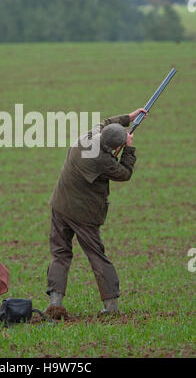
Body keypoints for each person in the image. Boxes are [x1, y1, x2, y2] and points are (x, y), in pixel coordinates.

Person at [46, 108, 148, 314]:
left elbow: (105, 122)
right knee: (97, 256)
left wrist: (128, 117)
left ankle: (55, 304)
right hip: (83, 214)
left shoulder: (88, 136)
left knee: (60, 253)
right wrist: (129, 148)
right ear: (115, 146)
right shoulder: (102, 161)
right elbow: (125, 173)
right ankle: (111, 306)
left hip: (60, 204)